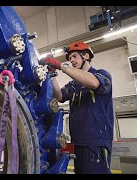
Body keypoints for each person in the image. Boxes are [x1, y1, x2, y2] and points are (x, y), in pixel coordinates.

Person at [40, 41, 114, 174]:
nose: (71, 60)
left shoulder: (102, 75)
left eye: (74, 56)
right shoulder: (74, 84)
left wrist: (61, 66)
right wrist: (52, 74)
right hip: (78, 142)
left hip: (95, 142)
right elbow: (59, 96)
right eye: (69, 58)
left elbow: (93, 82)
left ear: (86, 56)